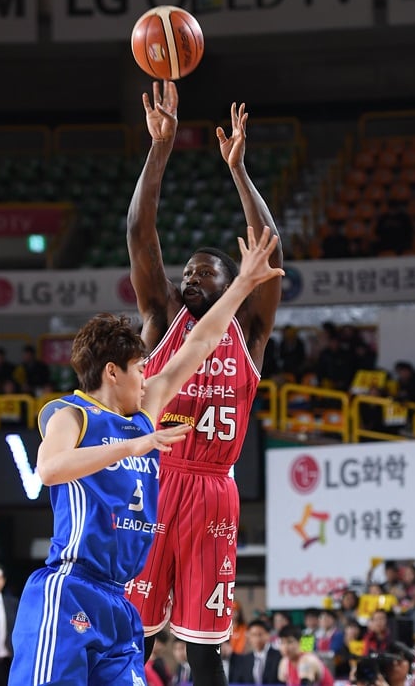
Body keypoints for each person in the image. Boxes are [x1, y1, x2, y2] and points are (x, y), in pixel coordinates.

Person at [7, 228, 284, 686]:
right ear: (113, 372)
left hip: (118, 600)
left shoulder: (145, 410)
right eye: (140, 368)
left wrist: (243, 285)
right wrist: (134, 447)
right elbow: (49, 469)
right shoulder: (70, 414)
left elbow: (199, 345)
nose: (148, 374)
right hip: (71, 588)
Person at [125, 80, 283, 686]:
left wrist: (239, 172)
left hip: (215, 490)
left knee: (203, 651)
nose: (189, 276)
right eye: (185, 271)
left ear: (228, 281)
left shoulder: (250, 331)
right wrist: (158, 149)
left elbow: (266, 251)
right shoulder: (162, 321)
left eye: (203, 272)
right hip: (157, 482)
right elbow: (141, 234)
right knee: (131, 636)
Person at [229, 618, 283, 684]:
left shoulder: (279, 656)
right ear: (249, 637)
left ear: (268, 635)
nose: (257, 638)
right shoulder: (244, 660)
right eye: (253, 635)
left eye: (260, 634)